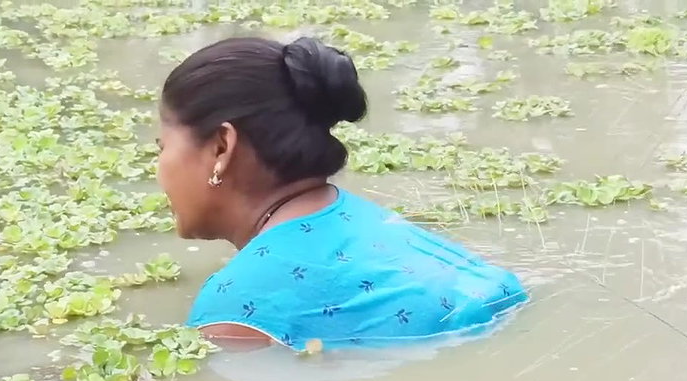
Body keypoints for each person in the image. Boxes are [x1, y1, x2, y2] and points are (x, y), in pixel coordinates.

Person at [155, 35, 528, 352]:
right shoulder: (369, 220)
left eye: (162, 147)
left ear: (221, 147)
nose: (159, 168)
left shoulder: (236, 310)